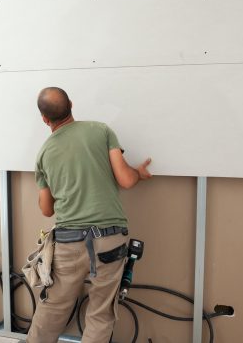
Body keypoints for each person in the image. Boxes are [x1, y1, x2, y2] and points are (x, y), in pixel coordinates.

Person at [26, 87, 152, 343]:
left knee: (53, 308)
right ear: (71, 104)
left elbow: (47, 209)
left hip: (68, 242)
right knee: (101, 313)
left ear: (44, 119)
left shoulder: (43, 154)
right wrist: (139, 173)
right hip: (110, 240)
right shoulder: (101, 131)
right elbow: (126, 180)